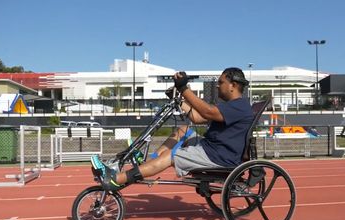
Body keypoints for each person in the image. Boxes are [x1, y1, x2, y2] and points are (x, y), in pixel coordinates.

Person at [91, 67, 254, 191]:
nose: (218, 86)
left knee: (172, 155)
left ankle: (116, 178)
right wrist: (179, 99)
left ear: (233, 85)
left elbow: (207, 111)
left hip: (218, 156)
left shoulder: (239, 106)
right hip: (212, 148)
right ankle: (150, 163)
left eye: (221, 83)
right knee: (183, 130)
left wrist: (184, 89)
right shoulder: (232, 106)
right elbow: (197, 118)